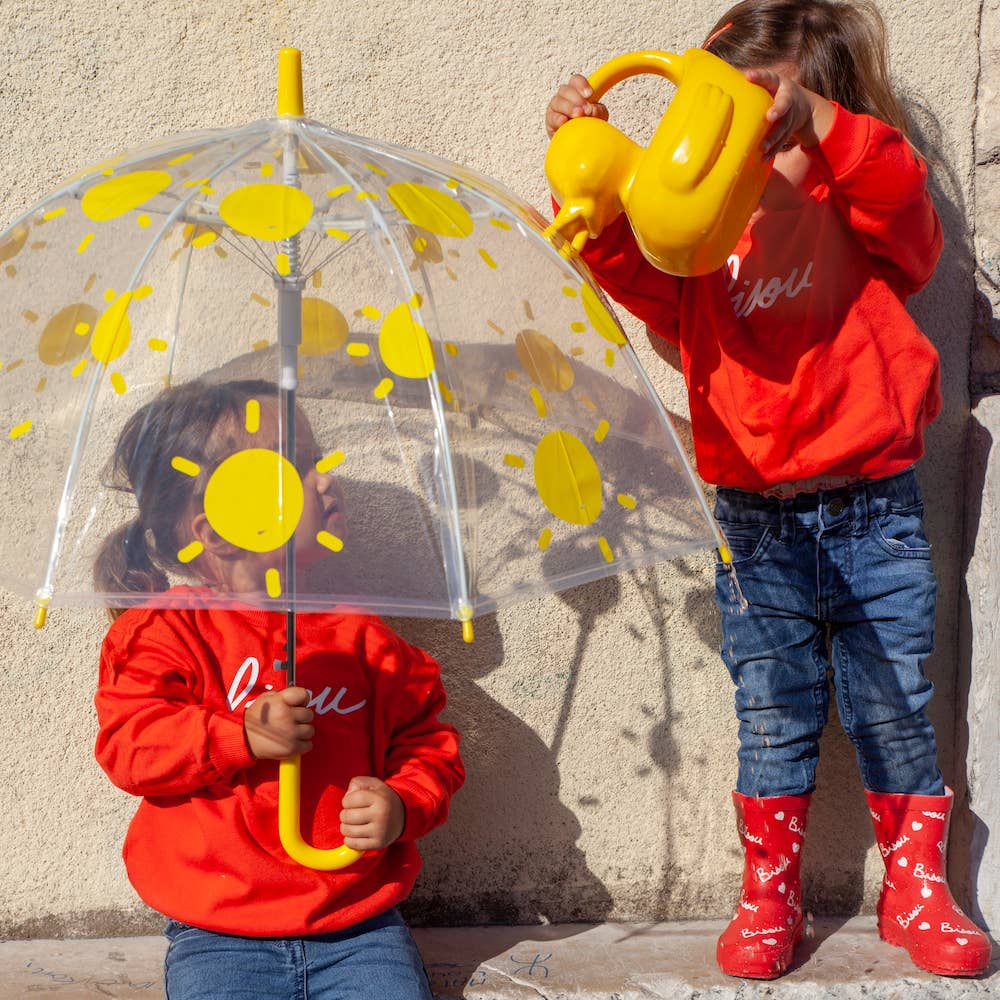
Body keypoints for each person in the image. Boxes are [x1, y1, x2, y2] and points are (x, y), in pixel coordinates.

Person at [545, 0, 990, 981]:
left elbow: (905, 215)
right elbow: (649, 281)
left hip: (874, 502)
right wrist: (596, 164)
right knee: (774, 706)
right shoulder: (706, 236)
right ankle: (769, 890)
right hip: (754, 515)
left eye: (765, 125)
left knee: (892, 699)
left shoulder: (856, 194)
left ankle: (917, 887)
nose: (746, 154)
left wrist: (818, 131)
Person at [93, 378, 464, 999]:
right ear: (216, 528)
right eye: (291, 467)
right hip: (217, 929)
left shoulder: (360, 636)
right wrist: (238, 736)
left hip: (359, 926)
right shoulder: (166, 631)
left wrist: (404, 803)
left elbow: (427, 741)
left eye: (317, 461)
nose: (324, 480)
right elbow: (130, 745)